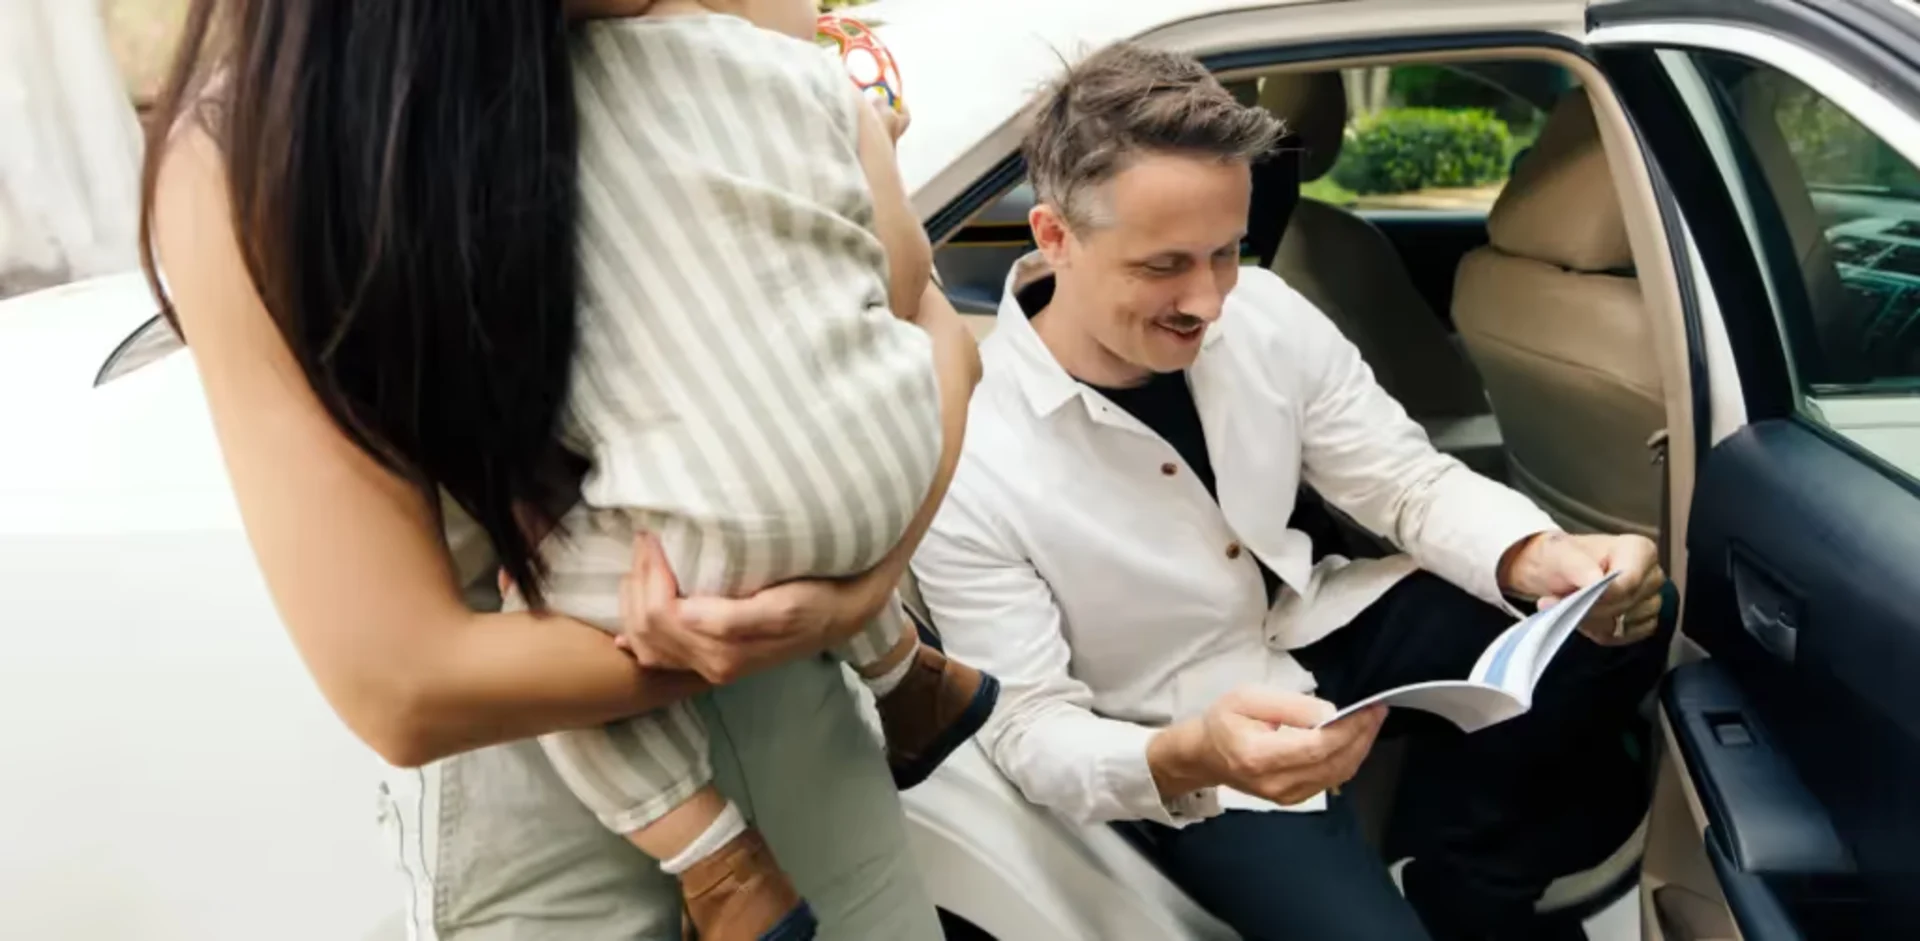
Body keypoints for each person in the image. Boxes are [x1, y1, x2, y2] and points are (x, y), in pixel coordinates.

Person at [139, 1, 962, 938]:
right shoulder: (257, 161)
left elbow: (918, 325)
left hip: (809, 756)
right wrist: (806, 603)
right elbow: (404, 685)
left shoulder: (708, 19)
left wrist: (856, 594)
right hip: (548, 823)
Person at [911, 43, 1673, 941]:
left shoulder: (1266, 311)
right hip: (1183, 728)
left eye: (1225, 252)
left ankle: (1464, 875)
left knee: (1613, 619)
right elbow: (1030, 727)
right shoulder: (964, 446)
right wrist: (1187, 754)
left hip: (1316, 618)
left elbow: (1405, 483)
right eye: (1163, 266)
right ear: (1053, 237)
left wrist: (1536, 556)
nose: (1208, 301)